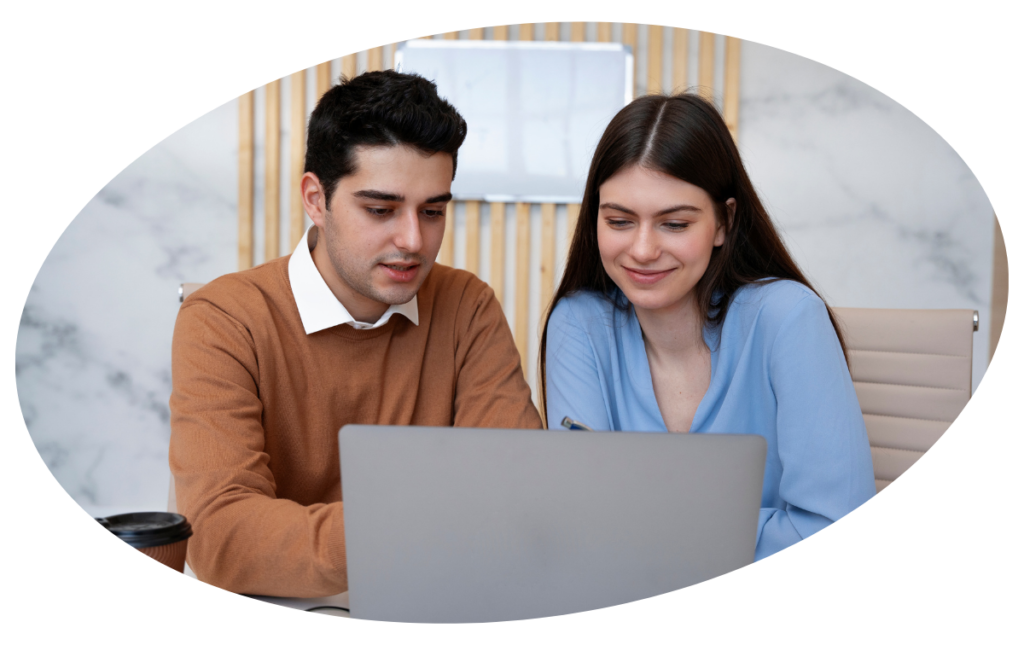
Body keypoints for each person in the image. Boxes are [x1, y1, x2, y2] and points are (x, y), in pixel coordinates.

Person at [169, 70, 543, 597]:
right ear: (315, 199)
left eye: (433, 211)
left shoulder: (466, 305)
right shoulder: (223, 318)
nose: (414, 240)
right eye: (380, 210)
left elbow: (517, 495)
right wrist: (427, 528)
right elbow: (222, 539)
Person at [542, 93, 875, 562]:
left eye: (674, 224)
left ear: (724, 221)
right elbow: (581, 521)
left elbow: (830, 520)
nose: (641, 250)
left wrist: (653, 528)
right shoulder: (579, 324)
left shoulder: (788, 318)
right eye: (618, 220)